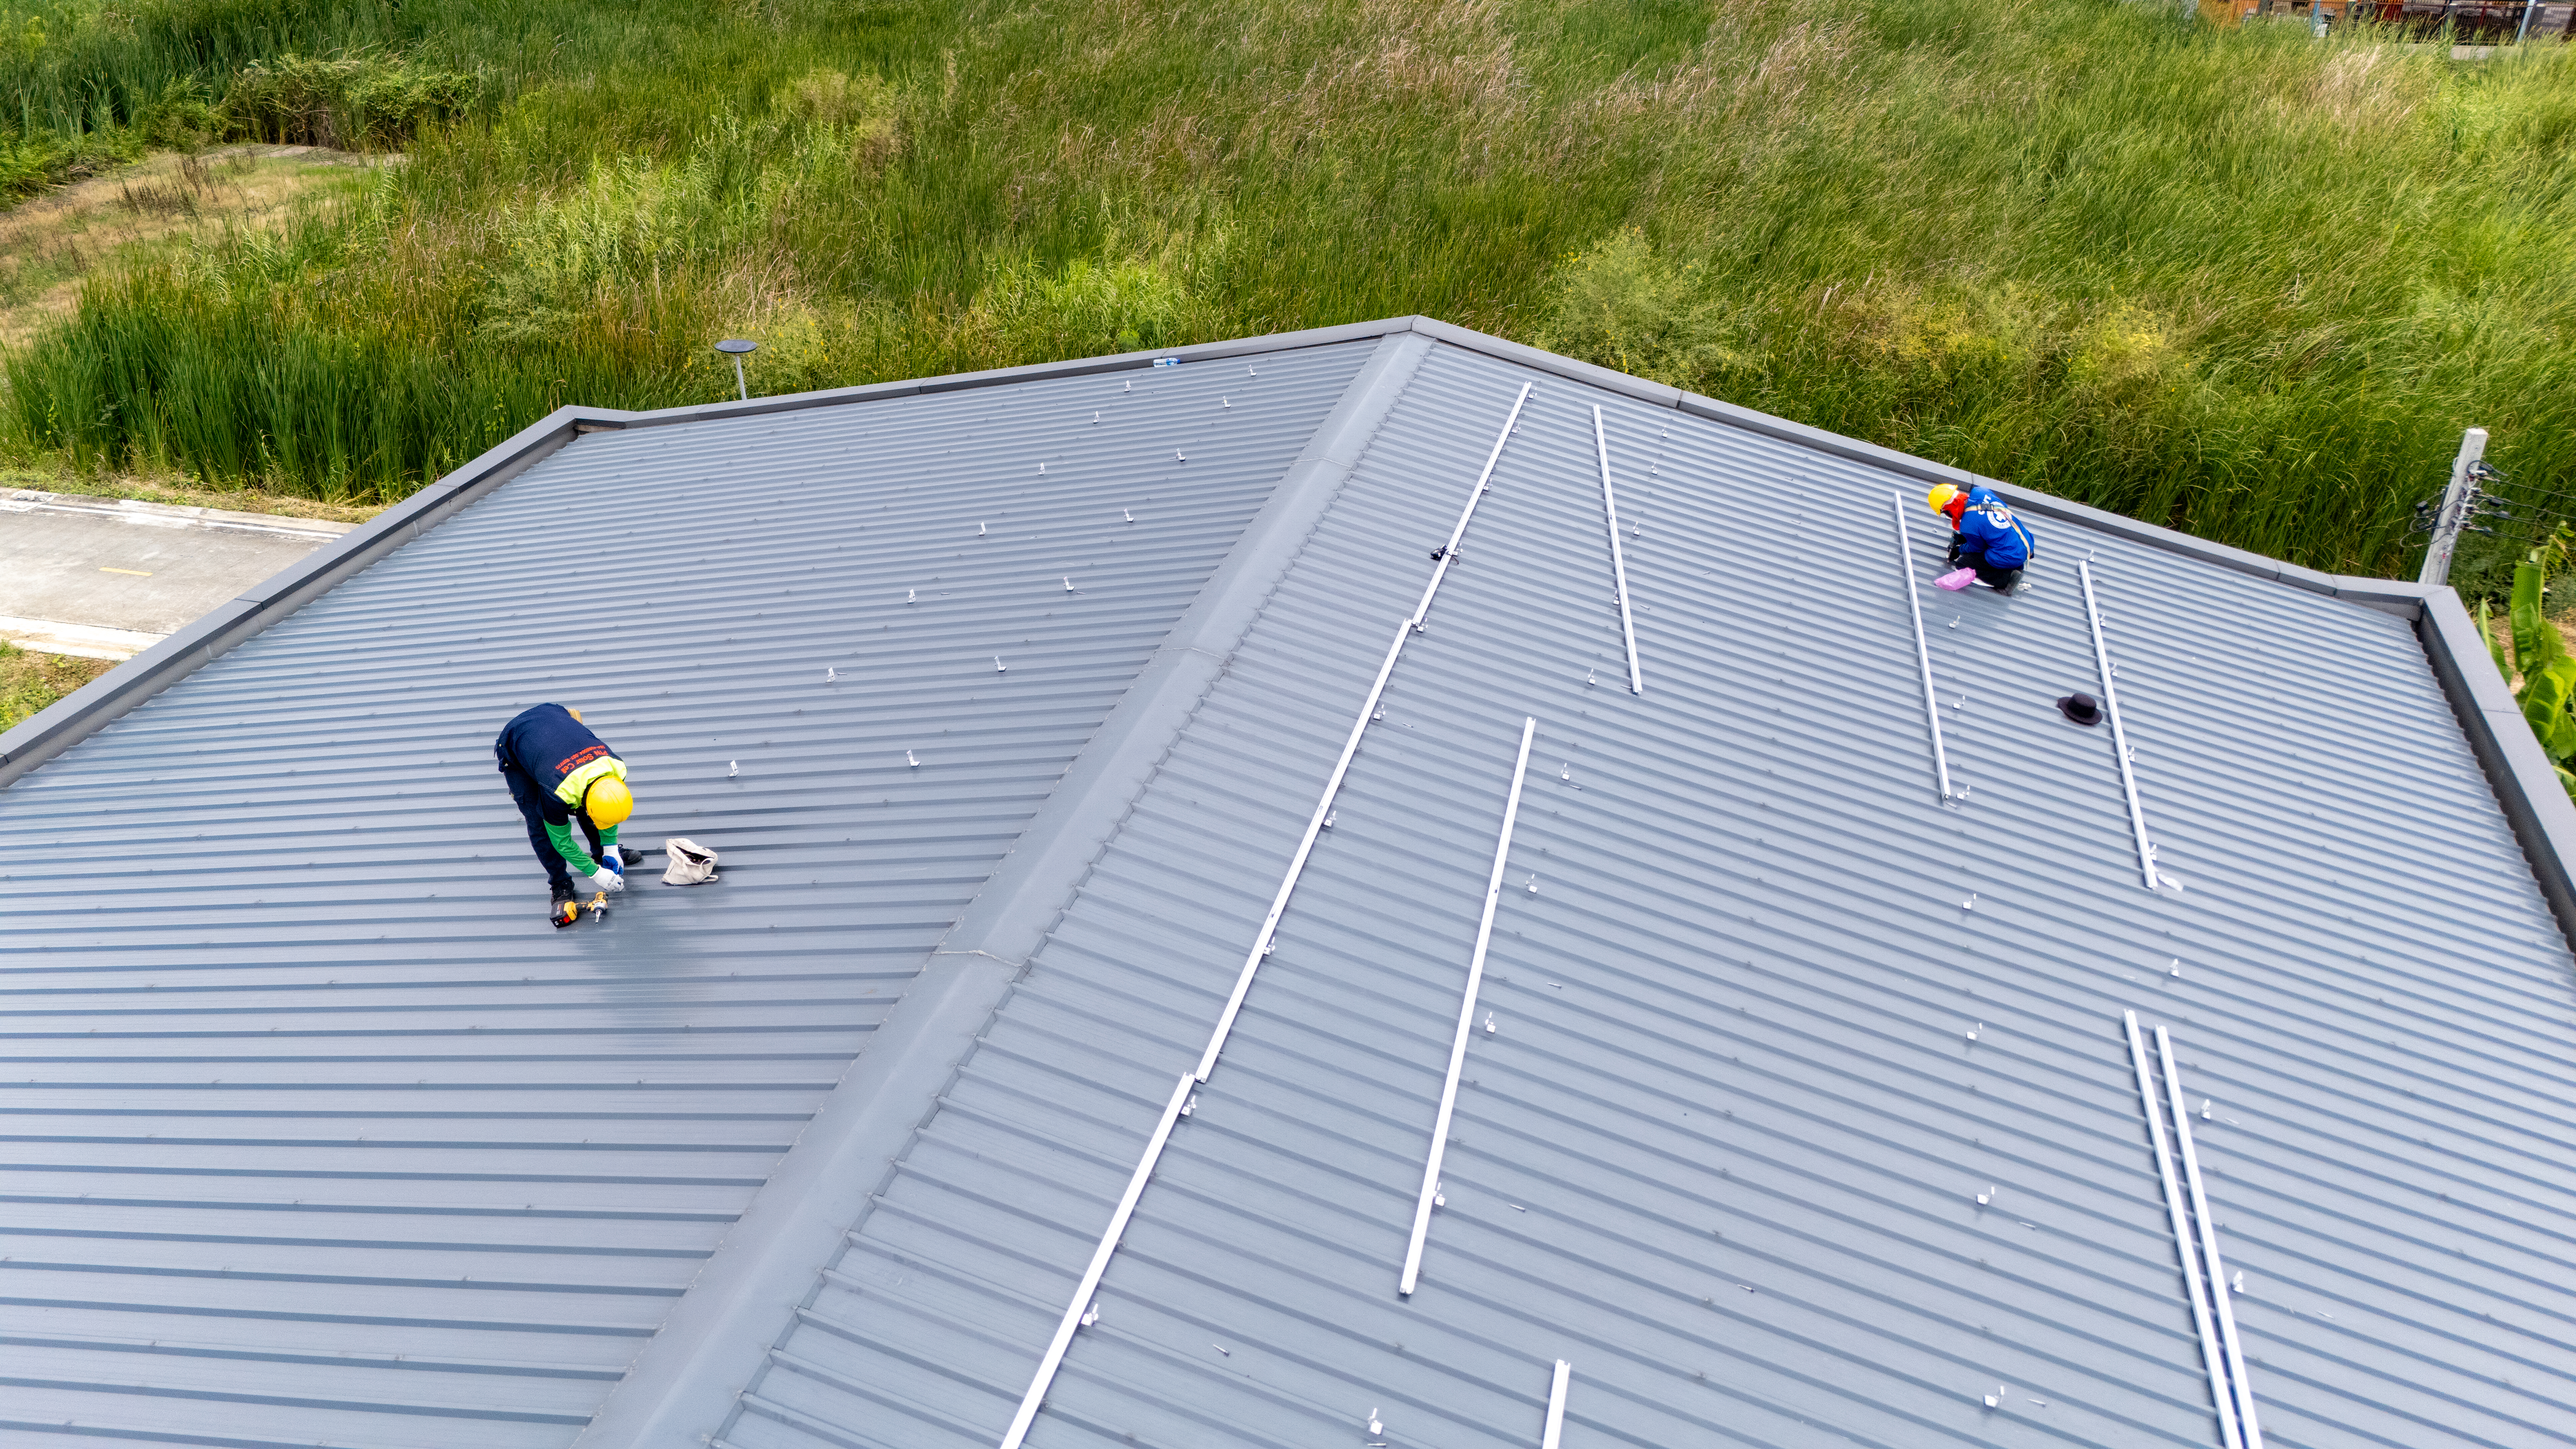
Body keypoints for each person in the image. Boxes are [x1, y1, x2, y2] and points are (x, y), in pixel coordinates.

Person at [494, 703, 640, 927]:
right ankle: (560, 884)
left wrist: (610, 849)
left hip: (554, 719)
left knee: (590, 805)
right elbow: (562, 842)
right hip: (517, 743)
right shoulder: (560, 791)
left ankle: (601, 853)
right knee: (538, 821)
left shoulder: (616, 769)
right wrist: (595, 874)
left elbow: (607, 809)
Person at [1928, 484, 2035, 594]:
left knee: (1963, 563)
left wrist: (1959, 550)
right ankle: (2016, 565)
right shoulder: (1981, 492)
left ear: (1951, 508)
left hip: (2010, 556)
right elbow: (1985, 524)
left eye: (1946, 512)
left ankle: (2007, 578)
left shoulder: (1968, 525)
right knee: (1991, 536)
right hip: (2026, 543)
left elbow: (1978, 549)